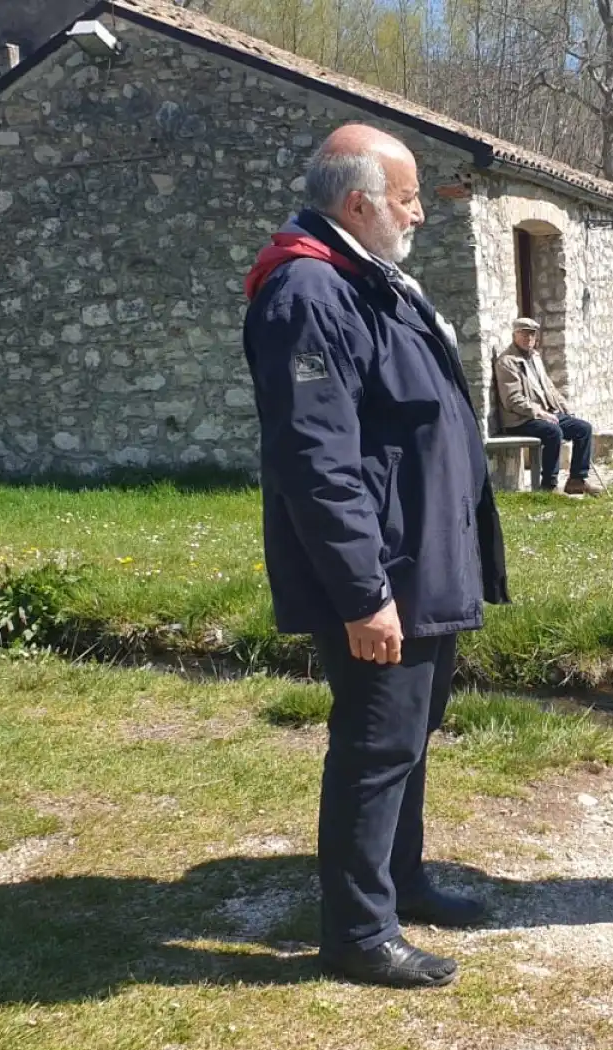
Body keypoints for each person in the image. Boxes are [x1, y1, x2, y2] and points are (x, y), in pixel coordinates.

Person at [242, 123, 510, 988]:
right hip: (383, 575)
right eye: (407, 199)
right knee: (374, 744)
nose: (420, 213)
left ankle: (400, 882)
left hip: (420, 562)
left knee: (411, 735)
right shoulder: (309, 292)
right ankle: (358, 932)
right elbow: (317, 463)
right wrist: (363, 596)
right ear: (359, 204)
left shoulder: (367, 280)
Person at [493, 318, 602, 495]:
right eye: (524, 333)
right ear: (515, 335)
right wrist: (539, 413)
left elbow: (548, 388)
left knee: (583, 428)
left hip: (545, 414)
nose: (528, 337)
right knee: (553, 432)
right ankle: (549, 486)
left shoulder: (535, 357)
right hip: (521, 419)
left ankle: (577, 480)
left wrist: (563, 406)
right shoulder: (507, 362)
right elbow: (512, 400)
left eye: (532, 333)